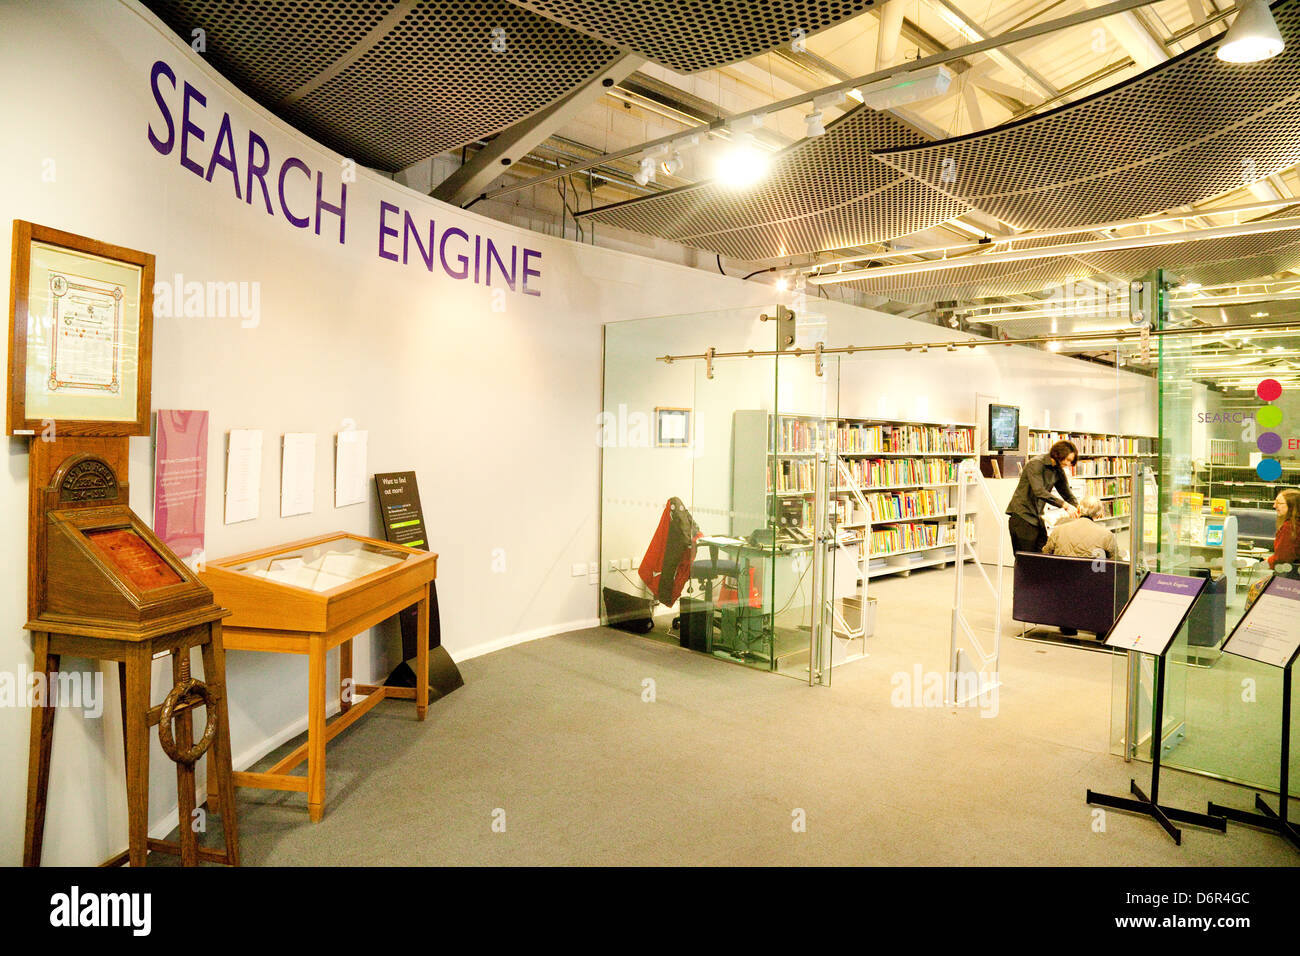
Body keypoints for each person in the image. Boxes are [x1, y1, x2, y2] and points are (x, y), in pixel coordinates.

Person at [1006, 439, 1079, 557]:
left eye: (1071, 461)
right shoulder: (1035, 464)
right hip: (1022, 517)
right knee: (1025, 561)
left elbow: (1067, 494)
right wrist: (1064, 505)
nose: (1068, 464)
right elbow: (1039, 491)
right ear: (1058, 454)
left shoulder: (1058, 470)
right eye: (1068, 460)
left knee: (1043, 557)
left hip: (1037, 519)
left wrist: (1079, 509)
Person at [1043, 495, 1119, 560]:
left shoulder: (1058, 530)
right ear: (1099, 515)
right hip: (1091, 576)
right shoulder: (1107, 535)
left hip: (1061, 575)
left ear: (1078, 509)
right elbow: (1115, 564)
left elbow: (1046, 555)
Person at [1267, 488, 1300, 578]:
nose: (1274, 506)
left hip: (1291, 577)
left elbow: (1282, 558)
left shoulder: (1289, 527)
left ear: (1293, 506)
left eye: (1279, 503)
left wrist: (1268, 562)